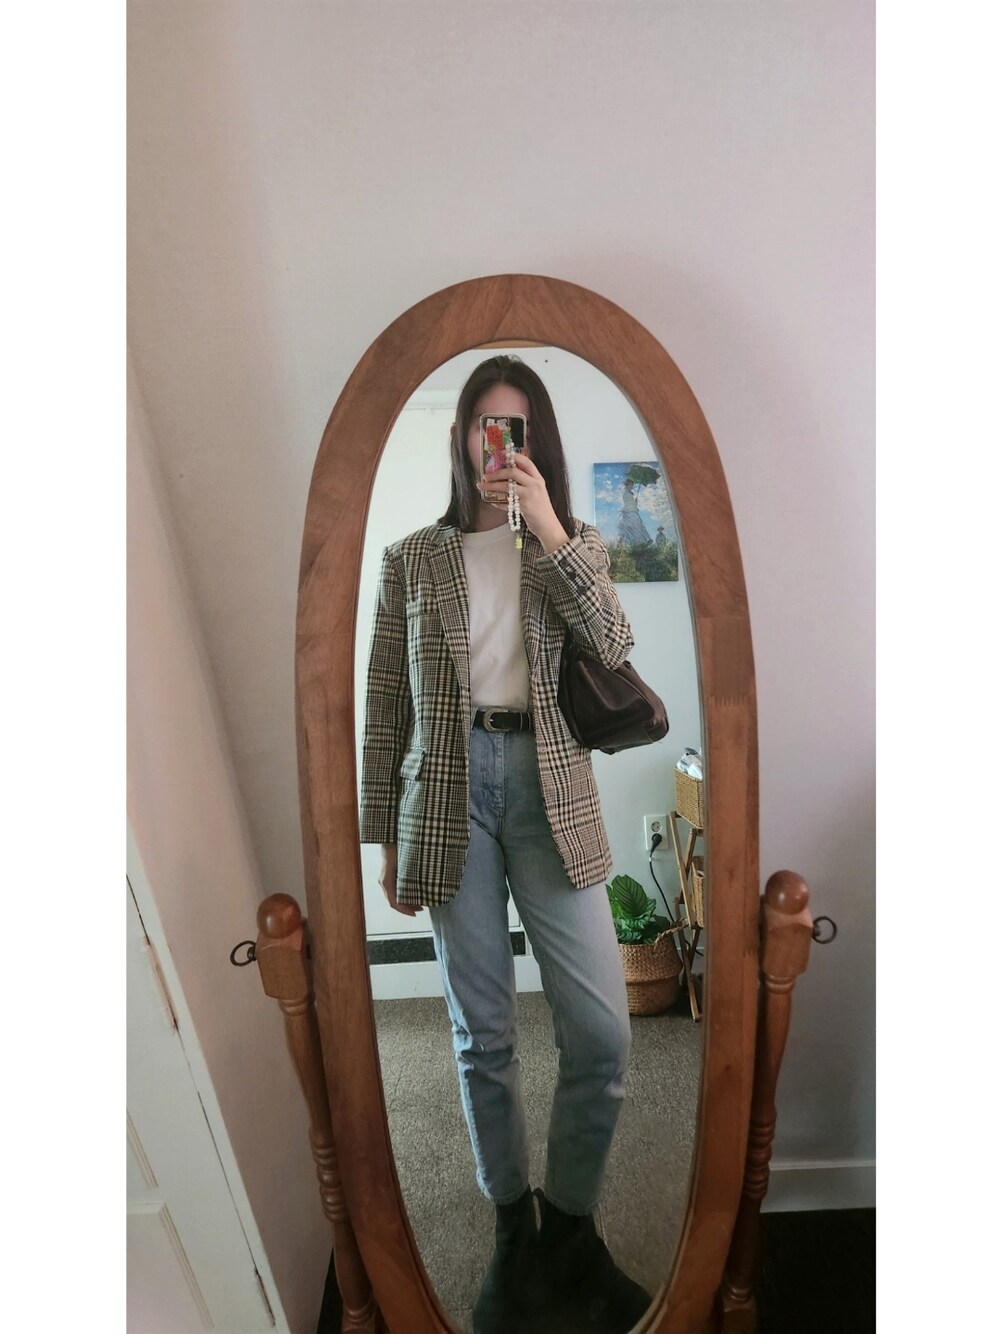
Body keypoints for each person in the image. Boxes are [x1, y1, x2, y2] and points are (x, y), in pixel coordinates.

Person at [360, 356, 651, 1334]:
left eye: (514, 431)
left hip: (549, 786)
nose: (498, 449)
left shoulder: (572, 546)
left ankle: (568, 1228)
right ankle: (510, 1234)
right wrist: (385, 837)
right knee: (480, 1034)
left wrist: (553, 530)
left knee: (602, 1033)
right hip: (445, 794)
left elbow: (613, 646)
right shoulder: (410, 559)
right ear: (461, 441)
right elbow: (385, 707)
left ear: (537, 444)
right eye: (485, 429)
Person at [617, 477, 652, 547]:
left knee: (638, 526)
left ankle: (644, 541)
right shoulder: (626, 494)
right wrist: (634, 503)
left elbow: (632, 504)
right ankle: (640, 542)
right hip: (629, 512)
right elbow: (629, 504)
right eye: (630, 485)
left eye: (632, 485)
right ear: (627, 485)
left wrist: (635, 502)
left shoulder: (630, 493)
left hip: (632, 511)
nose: (632, 486)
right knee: (633, 528)